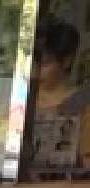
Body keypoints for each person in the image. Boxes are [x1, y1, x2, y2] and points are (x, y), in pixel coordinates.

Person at [33, 17, 90, 169]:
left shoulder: (82, 103)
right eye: (34, 63)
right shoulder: (21, 99)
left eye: (45, 64)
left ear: (66, 61)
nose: (37, 71)